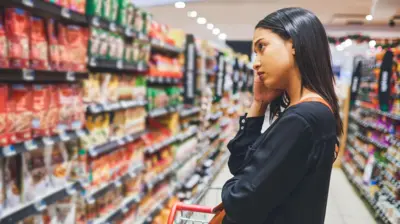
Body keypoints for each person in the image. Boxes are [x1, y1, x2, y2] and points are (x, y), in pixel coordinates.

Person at [221, 7, 343, 224]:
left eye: (262, 47)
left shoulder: (302, 119)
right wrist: (258, 104)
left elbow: (240, 201)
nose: (255, 62)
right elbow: (240, 164)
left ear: (294, 44)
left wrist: (232, 187)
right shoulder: (310, 111)